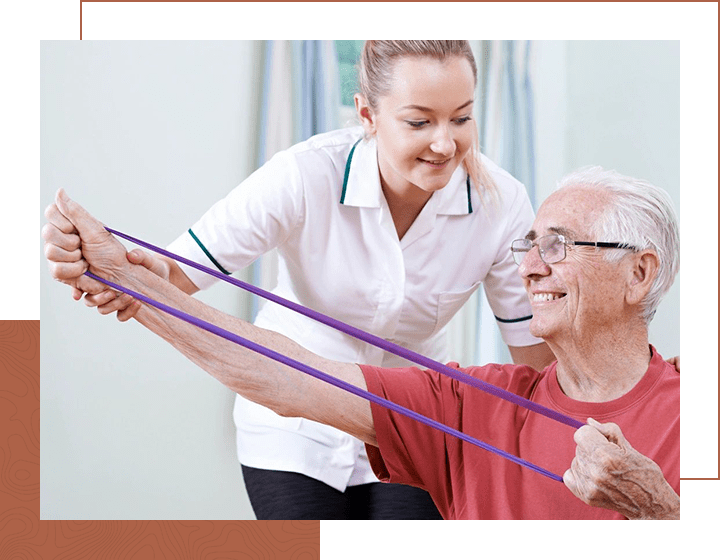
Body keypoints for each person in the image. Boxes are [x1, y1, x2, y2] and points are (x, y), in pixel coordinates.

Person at [50, 40, 554, 520]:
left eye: (462, 118)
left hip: (413, 423)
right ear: (367, 116)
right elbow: (174, 273)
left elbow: (536, 359)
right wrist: (105, 267)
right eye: (420, 121)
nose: (446, 143)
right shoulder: (304, 174)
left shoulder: (501, 202)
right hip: (292, 423)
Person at [43, 164, 680, 519]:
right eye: (528, 244)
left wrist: (659, 512)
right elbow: (285, 378)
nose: (530, 266)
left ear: (640, 273)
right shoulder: (474, 406)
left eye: (559, 246)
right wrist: (128, 283)